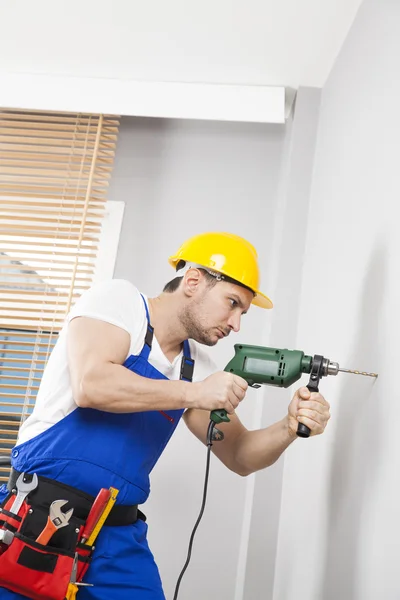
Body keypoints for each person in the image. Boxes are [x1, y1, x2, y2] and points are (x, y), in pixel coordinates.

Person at [0, 232, 330, 599]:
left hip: (117, 535)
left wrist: (287, 427)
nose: (236, 324)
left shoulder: (197, 365)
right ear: (193, 281)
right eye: (232, 303)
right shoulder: (120, 301)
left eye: (243, 313)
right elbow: (91, 384)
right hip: (35, 515)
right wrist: (195, 393)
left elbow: (240, 455)